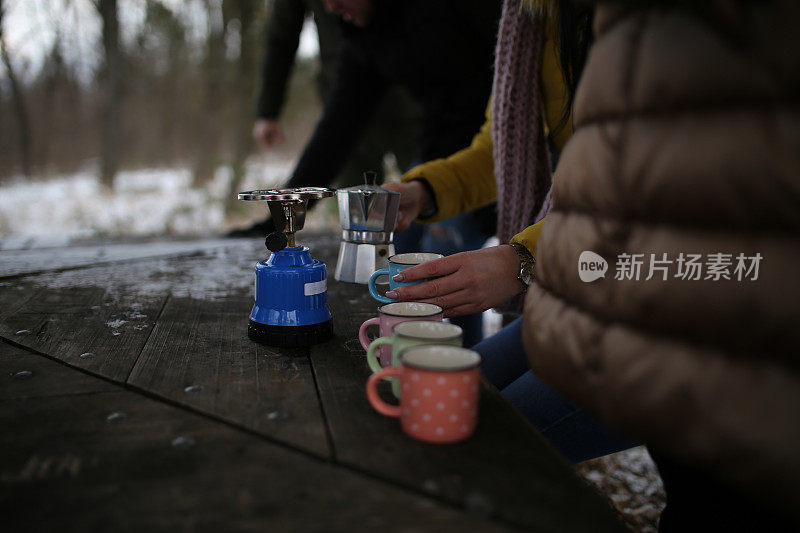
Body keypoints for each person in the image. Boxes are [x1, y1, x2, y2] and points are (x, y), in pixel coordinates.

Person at [389, 0, 800, 528]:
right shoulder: (534, 17)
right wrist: (424, 190)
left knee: (480, 438)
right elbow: (504, 146)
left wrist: (525, 259)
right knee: (463, 396)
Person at [235, 0, 504, 346]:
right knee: (397, 253)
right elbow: (337, 129)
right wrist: (285, 210)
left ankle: (459, 366)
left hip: (493, 150)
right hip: (436, 152)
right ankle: (399, 353)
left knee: (444, 258)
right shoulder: (365, 37)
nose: (330, 7)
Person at [237, 0, 420, 237]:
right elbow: (334, 135)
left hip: (416, 110)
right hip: (344, 89)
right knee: (360, 219)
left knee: (436, 214)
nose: (330, 8)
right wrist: (283, 218)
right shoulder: (355, 51)